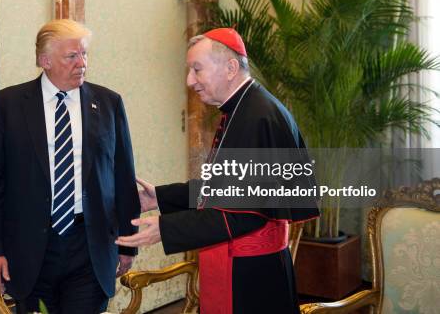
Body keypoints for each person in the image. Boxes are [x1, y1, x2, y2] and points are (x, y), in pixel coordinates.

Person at [116, 28, 319, 314]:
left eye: (197, 69)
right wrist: (160, 198)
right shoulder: (243, 109)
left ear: (230, 68)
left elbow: (242, 215)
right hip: (243, 268)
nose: (190, 81)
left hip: (252, 280)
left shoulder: (257, 117)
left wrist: (164, 229)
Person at [0, 19, 140, 314]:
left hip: (89, 246)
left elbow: (123, 177)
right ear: (45, 60)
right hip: (30, 249)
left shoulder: (108, 103)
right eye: (72, 56)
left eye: (84, 54)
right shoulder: (9, 105)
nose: (82, 63)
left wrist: (128, 243)